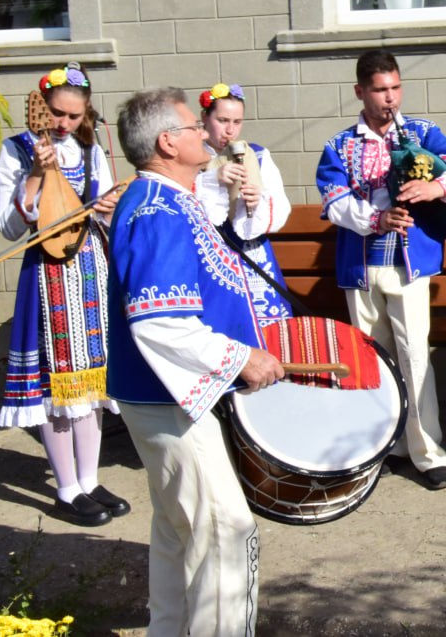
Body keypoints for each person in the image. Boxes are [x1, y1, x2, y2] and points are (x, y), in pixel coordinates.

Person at [106, 87, 284, 635]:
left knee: (179, 530)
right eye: (192, 127)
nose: (205, 134)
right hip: (168, 399)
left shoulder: (173, 199)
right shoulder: (158, 208)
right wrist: (239, 358)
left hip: (170, 395)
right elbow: (160, 321)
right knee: (226, 530)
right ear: (167, 142)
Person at [316, 49, 446, 490]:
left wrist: (434, 185)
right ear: (360, 92)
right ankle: (385, 446)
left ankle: (427, 453)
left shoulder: (423, 133)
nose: (390, 99)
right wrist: (376, 219)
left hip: (409, 264)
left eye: (395, 88)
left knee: (414, 356)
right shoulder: (340, 145)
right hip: (362, 267)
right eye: (380, 90)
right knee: (373, 361)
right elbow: (333, 202)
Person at [0, 63, 129, 527]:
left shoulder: (90, 150)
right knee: (58, 384)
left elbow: (105, 215)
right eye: (56, 113)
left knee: (90, 385)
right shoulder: (16, 150)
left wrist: (108, 206)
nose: (63, 124)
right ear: (40, 106)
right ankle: (65, 488)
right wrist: (34, 174)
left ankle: (89, 481)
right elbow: (12, 225)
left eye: (73, 116)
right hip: (48, 275)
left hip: (89, 269)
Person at [195, 82, 292, 326]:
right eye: (223, 120)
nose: (230, 130)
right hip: (208, 253)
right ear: (204, 118)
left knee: (266, 328)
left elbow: (280, 207)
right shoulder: (191, 157)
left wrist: (257, 202)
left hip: (251, 252)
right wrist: (212, 180)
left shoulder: (257, 155)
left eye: (237, 122)